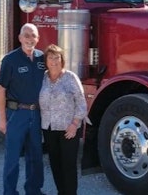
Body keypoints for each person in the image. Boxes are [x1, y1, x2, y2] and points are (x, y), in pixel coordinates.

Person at [0, 23, 46, 195]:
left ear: (38, 39)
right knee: (12, 158)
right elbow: (1, 90)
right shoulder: (10, 60)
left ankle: (33, 191)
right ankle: (9, 192)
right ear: (19, 38)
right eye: (26, 35)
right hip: (16, 114)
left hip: (36, 114)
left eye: (33, 35)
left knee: (35, 157)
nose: (29, 39)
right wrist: (2, 119)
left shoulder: (42, 58)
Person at [39, 44, 87, 195]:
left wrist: (75, 124)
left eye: (57, 57)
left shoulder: (70, 77)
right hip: (49, 128)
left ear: (62, 60)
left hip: (69, 129)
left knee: (68, 165)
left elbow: (81, 102)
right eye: (50, 57)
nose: (54, 61)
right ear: (46, 61)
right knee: (55, 164)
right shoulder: (42, 78)